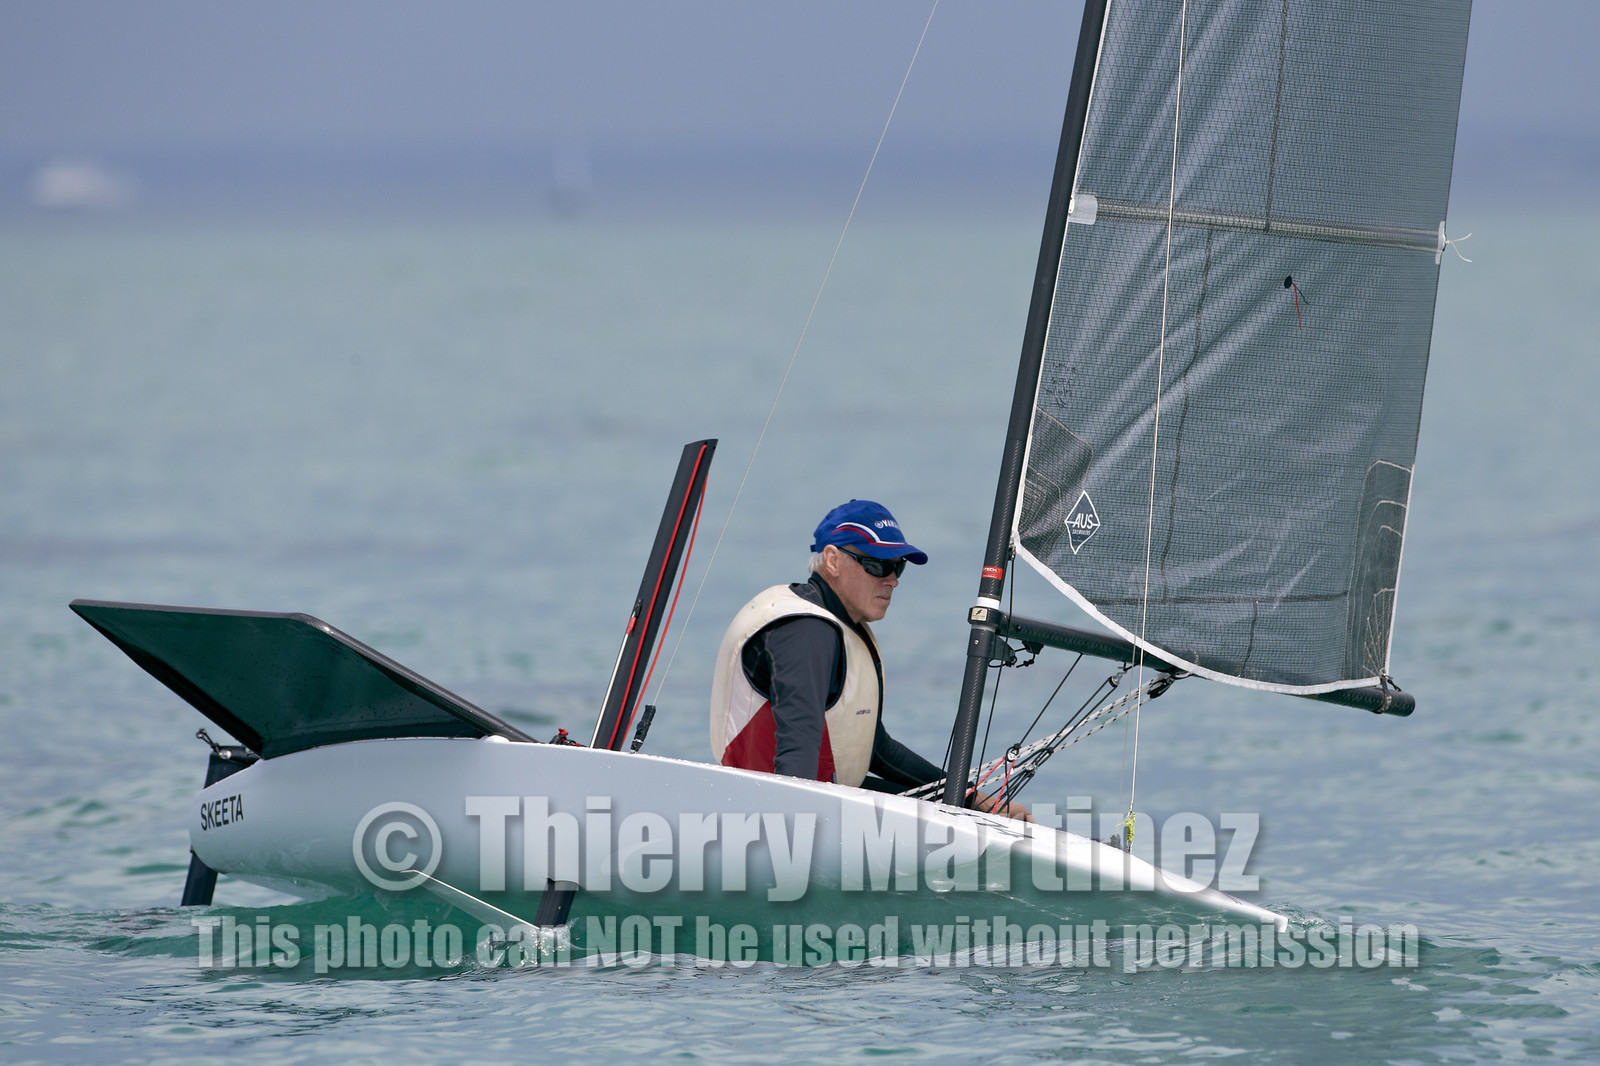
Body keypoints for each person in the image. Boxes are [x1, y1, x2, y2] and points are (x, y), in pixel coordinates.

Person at [710, 500, 1031, 821]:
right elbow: (798, 749)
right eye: (877, 565)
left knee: (969, 814)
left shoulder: (840, 623)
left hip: (820, 795)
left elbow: (876, 749)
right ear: (833, 560)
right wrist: (793, 845)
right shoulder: (807, 630)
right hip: (766, 810)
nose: (892, 579)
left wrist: (976, 801)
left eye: (898, 566)